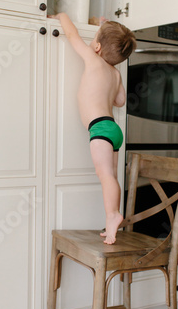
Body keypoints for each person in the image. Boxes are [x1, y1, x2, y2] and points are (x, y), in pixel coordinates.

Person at [50, 13, 137, 244]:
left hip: (100, 129)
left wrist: (62, 16)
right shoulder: (116, 73)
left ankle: (113, 215)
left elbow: (72, 35)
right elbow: (120, 101)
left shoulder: (92, 59)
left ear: (97, 46)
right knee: (112, 177)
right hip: (113, 130)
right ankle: (112, 223)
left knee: (105, 175)